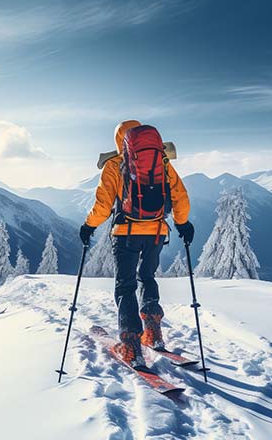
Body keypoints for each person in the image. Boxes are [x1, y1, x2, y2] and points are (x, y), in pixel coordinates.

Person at [81, 120, 194, 368]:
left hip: (126, 233)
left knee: (125, 285)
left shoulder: (114, 164)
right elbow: (180, 196)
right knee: (147, 277)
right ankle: (153, 332)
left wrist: (89, 226)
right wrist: (183, 223)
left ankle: (131, 345)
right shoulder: (162, 161)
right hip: (156, 232)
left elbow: (103, 204)